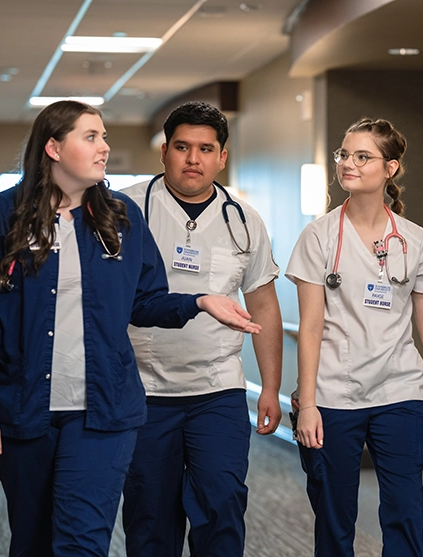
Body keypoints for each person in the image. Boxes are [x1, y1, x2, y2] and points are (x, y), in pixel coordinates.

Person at [0, 100, 260, 557]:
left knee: (83, 542)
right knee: (32, 541)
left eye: (104, 136)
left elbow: (145, 300)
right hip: (23, 410)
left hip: (103, 413)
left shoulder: (120, 218)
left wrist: (198, 301)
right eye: (92, 137)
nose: (105, 148)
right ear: (54, 147)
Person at [286, 117, 423, 556]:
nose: (348, 163)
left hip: (398, 390)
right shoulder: (319, 236)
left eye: (363, 156)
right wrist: (307, 404)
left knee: (404, 511)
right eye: (344, 154)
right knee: (333, 515)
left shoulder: (413, 240)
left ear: (391, 168)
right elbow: (310, 326)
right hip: (332, 394)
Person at [119, 101, 282, 557]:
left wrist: (270, 387)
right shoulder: (126, 208)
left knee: (223, 504)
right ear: (164, 152)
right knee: (150, 516)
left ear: (222, 157)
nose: (194, 159)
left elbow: (263, 305)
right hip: (144, 390)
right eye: (182, 147)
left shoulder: (245, 220)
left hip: (218, 389)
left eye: (206, 149)